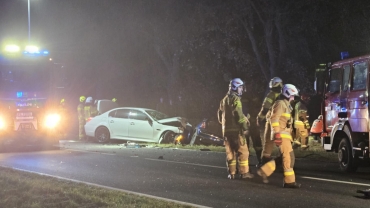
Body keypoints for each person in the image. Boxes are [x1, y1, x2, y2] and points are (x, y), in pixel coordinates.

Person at [257, 84, 301, 188]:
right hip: (280, 135)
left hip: (284, 135)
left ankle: (264, 171)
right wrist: (277, 134)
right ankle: (289, 182)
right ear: (288, 94)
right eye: (293, 95)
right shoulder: (280, 104)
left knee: (287, 157)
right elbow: (274, 119)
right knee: (288, 157)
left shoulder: (286, 105)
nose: (294, 98)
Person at [217, 78, 254, 180]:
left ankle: (231, 173)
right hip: (237, 131)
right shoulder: (236, 99)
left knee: (230, 153)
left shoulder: (223, 100)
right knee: (243, 151)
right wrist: (245, 127)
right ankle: (244, 173)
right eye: (241, 87)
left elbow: (220, 116)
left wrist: (226, 123)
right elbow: (238, 114)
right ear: (235, 87)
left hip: (226, 132)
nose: (242, 90)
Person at [256, 77, 283, 166]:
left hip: (271, 121)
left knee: (268, 141)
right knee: (282, 142)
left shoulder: (271, 95)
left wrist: (260, 117)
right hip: (282, 122)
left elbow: (265, 108)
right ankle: (282, 160)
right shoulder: (284, 95)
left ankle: (264, 161)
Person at [241, 89, 263, 165]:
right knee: (254, 142)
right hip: (251, 122)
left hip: (249, 122)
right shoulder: (254, 95)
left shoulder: (242, 96)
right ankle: (260, 160)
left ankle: (246, 162)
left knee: (248, 143)